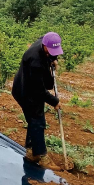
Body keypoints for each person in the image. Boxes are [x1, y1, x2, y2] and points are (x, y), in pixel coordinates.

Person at [11, 32, 63, 166]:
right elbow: (39, 90)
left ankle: (31, 149)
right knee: (37, 120)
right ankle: (40, 154)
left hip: (31, 86)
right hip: (25, 91)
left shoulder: (44, 42)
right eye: (51, 52)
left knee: (34, 119)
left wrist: (52, 60)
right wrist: (55, 101)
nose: (53, 53)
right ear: (44, 46)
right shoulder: (35, 62)